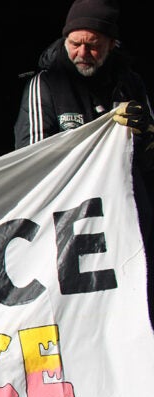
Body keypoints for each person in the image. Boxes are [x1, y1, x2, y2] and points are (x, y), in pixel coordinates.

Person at [13, 0, 154, 324]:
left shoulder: (131, 83)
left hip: (127, 216)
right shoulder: (44, 85)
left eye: (93, 46)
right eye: (75, 44)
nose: (83, 53)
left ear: (111, 45)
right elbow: (30, 161)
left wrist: (143, 136)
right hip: (72, 221)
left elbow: (148, 159)